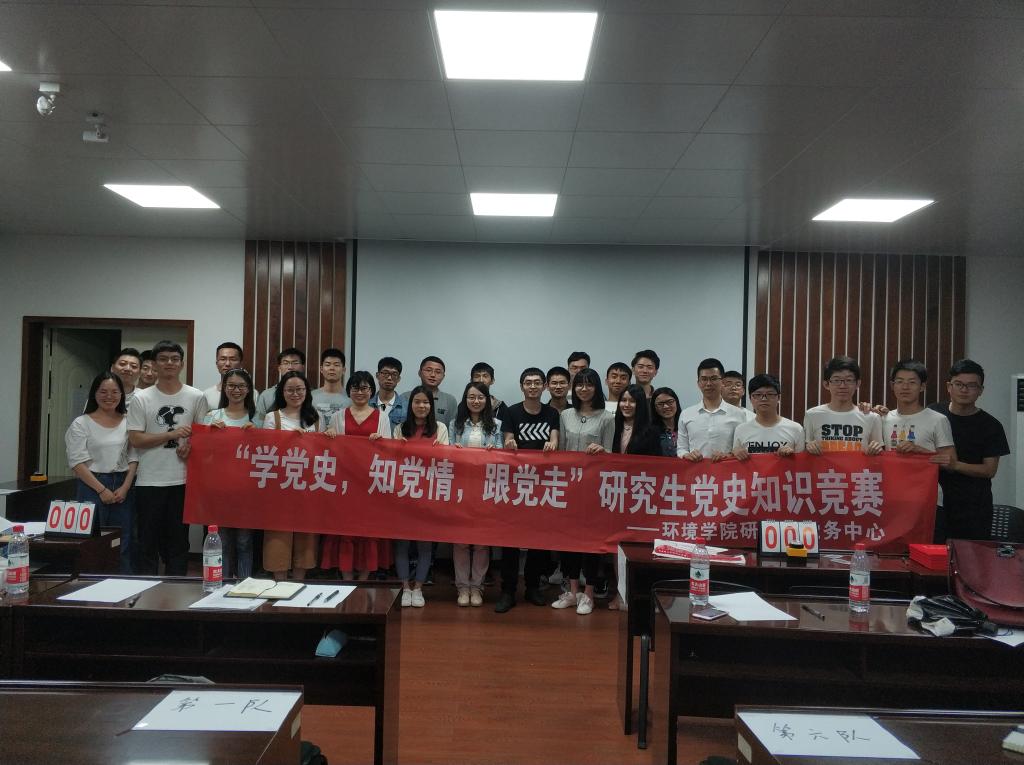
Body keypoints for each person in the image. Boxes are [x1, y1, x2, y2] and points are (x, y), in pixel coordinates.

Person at [127, 340, 208, 576]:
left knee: (178, 543)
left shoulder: (196, 396)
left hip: (183, 480)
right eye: (163, 359)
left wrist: (191, 446)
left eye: (174, 359)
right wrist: (170, 435)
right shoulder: (142, 398)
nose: (169, 363)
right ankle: (146, 592)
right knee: (147, 542)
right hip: (149, 481)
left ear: (182, 363)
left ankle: (177, 591)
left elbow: (203, 436)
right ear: (154, 364)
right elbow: (135, 439)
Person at [496, 368, 560, 613]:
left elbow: (555, 440)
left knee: (538, 538)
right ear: (521, 386)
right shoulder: (511, 411)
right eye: (528, 382)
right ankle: (508, 591)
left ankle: (533, 587)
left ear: (544, 386)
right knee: (510, 539)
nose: (532, 386)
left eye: (536, 382)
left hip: (542, 484)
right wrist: (510, 443)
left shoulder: (552, 413)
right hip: (515, 483)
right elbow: (508, 439)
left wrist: (552, 444)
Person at [553, 368, 614, 616]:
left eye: (589, 385)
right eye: (579, 384)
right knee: (568, 540)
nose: (584, 389)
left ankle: (588, 594)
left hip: (594, 488)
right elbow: (561, 451)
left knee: (590, 542)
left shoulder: (607, 417)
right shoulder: (566, 414)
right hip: (569, 487)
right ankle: (572, 591)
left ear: (597, 388)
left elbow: (611, 455)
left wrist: (602, 451)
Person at [65, 371, 138, 573]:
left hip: (123, 486)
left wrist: (125, 487)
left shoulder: (129, 421)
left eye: (115, 392)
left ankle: (122, 584)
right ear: (94, 394)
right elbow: (77, 463)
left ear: (122, 395)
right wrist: (101, 490)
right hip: (92, 486)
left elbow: (134, 457)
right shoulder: (81, 423)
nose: (109, 396)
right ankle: (91, 585)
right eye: (103, 391)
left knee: (123, 541)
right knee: (92, 541)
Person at [929, 359, 1010, 541]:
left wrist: (955, 465)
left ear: (981, 390)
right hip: (935, 504)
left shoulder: (991, 425)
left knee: (970, 557)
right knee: (931, 556)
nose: (964, 390)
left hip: (973, 509)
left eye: (972, 385)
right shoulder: (933, 414)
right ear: (949, 387)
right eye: (959, 384)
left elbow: (989, 470)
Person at [323, 371, 392, 579]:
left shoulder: (382, 418)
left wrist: (381, 442)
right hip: (345, 485)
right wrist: (329, 436)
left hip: (371, 485)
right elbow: (331, 452)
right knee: (346, 529)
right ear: (349, 390)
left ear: (371, 391)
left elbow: (389, 454)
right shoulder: (337, 416)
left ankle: (363, 579)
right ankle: (346, 578)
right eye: (355, 388)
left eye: (364, 388)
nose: (360, 392)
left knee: (368, 531)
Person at [393, 385, 449, 607]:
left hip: (429, 496)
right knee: (402, 545)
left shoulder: (440, 428)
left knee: (425, 546)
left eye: (426, 402)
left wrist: (443, 450)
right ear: (411, 405)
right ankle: (405, 588)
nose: (421, 406)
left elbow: (447, 461)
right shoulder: (400, 429)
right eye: (417, 402)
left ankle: (418, 588)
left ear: (431, 406)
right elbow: (391, 459)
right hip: (404, 495)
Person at [261, 370, 320, 580]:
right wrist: (289, 440)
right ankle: (280, 583)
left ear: (307, 391)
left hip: (308, 486)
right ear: (282, 392)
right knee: (278, 535)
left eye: (300, 389)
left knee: (306, 536)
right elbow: (267, 451)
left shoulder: (315, 419)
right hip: (280, 486)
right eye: (290, 390)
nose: (295, 394)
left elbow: (322, 452)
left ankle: (298, 582)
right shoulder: (272, 417)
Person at [449, 381, 502, 606]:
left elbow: (503, 457)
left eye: (480, 397)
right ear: (465, 399)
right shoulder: (455, 424)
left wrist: (495, 451)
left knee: (481, 542)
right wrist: (454, 451)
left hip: (485, 489)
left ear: (487, 400)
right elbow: (446, 455)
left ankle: (477, 587)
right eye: (471, 397)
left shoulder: (497, 425)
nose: (476, 401)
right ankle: (462, 587)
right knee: (460, 541)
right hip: (461, 489)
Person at [203, 367, 259, 579]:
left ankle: (245, 584)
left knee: (245, 542)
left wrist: (257, 434)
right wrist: (209, 434)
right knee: (223, 541)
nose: (236, 390)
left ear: (249, 389)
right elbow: (202, 456)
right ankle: (222, 584)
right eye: (232, 386)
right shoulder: (212, 417)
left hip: (248, 490)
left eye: (241, 386)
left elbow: (268, 454)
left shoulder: (257, 419)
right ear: (224, 388)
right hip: (219, 490)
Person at [804, 356, 884, 456]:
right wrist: (809, 447)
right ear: (826, 384)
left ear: (857, 383)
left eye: (849, 380)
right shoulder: (812, 415)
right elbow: (805, 454)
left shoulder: (871, 417)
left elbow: (879, 457)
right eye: (836, 380)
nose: (842, 386)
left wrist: (876, 449)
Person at [678, 357, 750, 462]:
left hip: (727, 471)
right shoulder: (686, 414)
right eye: (704, 379)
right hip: (696, 471)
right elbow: (681, 449)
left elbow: (743, 449)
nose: (708, 384)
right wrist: (686, 455)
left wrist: (728, 455)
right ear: (698, 383)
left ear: (722, 382)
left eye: (713, 378)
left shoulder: (738, 414)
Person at [883, 360, 955, 463]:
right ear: (892, 385)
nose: (905, 387)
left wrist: (919, 450)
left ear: (922, 386)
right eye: (899, 382)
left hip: (924, 474)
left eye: (912, 382)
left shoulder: (938, 420)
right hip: (891, 473)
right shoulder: (884, 418)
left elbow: (950, 462)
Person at [732, 374, 805, 459]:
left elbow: (802, 463)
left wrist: (791, 456)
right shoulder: (741, 430)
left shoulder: (795, 429)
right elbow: (735, 462)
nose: (764, 399)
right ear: (750, 398)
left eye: (770, 394)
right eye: (758, 394)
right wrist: (736, 453)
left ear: (778, 397)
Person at [403, 356, 457, 427]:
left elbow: (452, 429)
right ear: (419, 373)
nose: (433, 375)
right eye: (428, 370)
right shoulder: (405, 397)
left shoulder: (450, 400)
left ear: (443, 376)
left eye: (438, 372)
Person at [255, 348, 305, 420]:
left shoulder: (312, 394)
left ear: (303, 367)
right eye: (286, 363)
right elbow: (259, 422)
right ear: (279, 368)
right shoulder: (266, 395)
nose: (290, 367)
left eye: (295, 363)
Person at [613, 384, 661, 456]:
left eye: (632, 401)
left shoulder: (652, 431)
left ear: (640, 404)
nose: (627, 405)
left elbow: (655, 459)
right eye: (623, 400)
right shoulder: (612, 425)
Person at [311, 347, 351, 423]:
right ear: (321, 369)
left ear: (344, 370)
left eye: (336, 365)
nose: (332, 368)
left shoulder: (351, 397)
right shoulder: (310, 397)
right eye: (328, 364)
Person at [202, 342, 244, 410]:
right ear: (217, 363)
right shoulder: (207, 395)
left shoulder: (251, 394)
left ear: (241, 364)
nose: (227, 364)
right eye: (223, 359)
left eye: (233, 359)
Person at [370, 356, 407, 427]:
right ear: (377, 375)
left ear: (399, 379)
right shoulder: (367, 404)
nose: (389, 378)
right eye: (385, 373)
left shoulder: (406, 406)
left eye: (394, 374)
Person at [651, 386, 682, 457]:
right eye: (660, 404)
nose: (666, 406)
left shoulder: (686, 427)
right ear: (654, 407)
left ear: (676, 402)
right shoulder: (649, 432)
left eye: (670, 402)